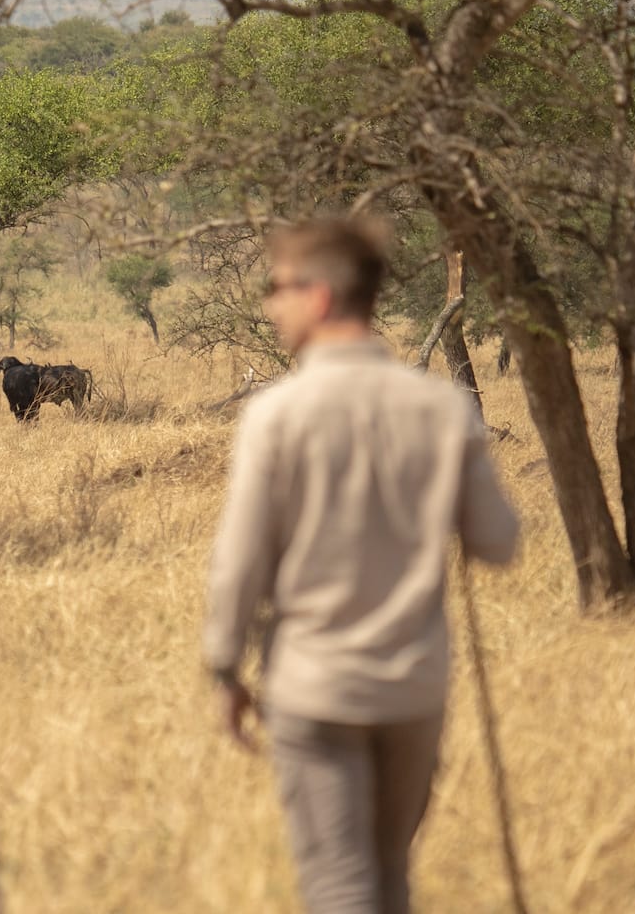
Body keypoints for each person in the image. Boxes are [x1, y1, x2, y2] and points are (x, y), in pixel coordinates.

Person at [203, 217, 521, 914]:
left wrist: (225, 667)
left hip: (315, 688)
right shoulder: (442, 407)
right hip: (413, 688)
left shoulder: (278, 414)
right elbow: (498, 543)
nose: (269, 304)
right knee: (389, 878)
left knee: (340, 887)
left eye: (276, 287)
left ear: (319, 297)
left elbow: (239, 563)